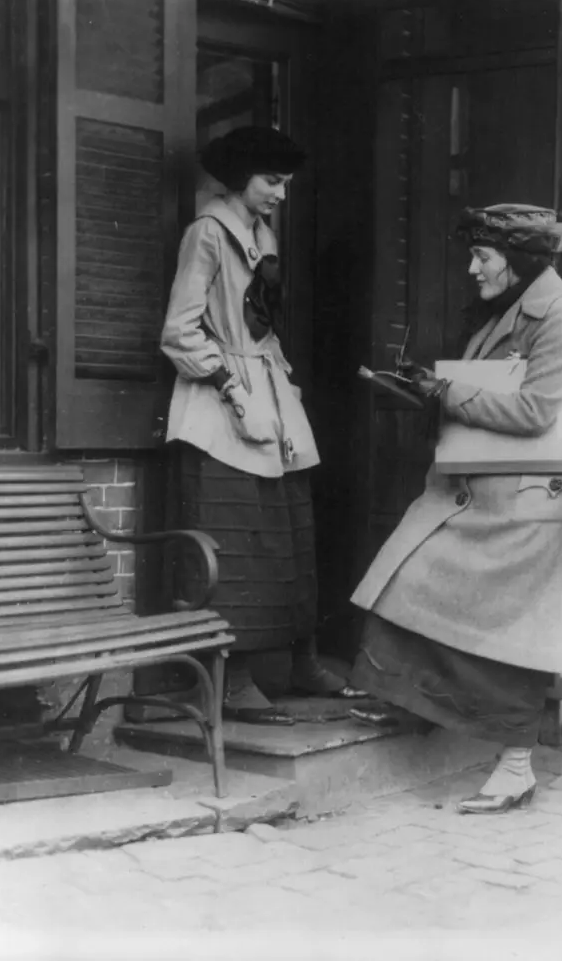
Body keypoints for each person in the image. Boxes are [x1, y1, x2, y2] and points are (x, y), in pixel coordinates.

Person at [348, 204, 562, 813]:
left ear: (515, 262)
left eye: (482, 257)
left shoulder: (557, 318)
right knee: (408, 580)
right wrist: (428, 390)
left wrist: (448, 392)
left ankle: (516, 768)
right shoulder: (513, 307)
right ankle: (404, 698)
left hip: (533, 510)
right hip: (495, 495)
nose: (472, 268)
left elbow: (536, 411)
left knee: (515, 644)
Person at [161, 126, 365, 726]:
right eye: (272, 181)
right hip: (221, 407)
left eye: (286, 183)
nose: (281, 193)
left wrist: (281, 383)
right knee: (237, 537)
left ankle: (302, 662)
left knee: (291, 530)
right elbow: (179, 331)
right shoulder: (206, 234)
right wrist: (231, 388)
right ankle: (236, 680)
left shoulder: (262, 233)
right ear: (241, 177)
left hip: (271, 393)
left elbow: (261, 324)